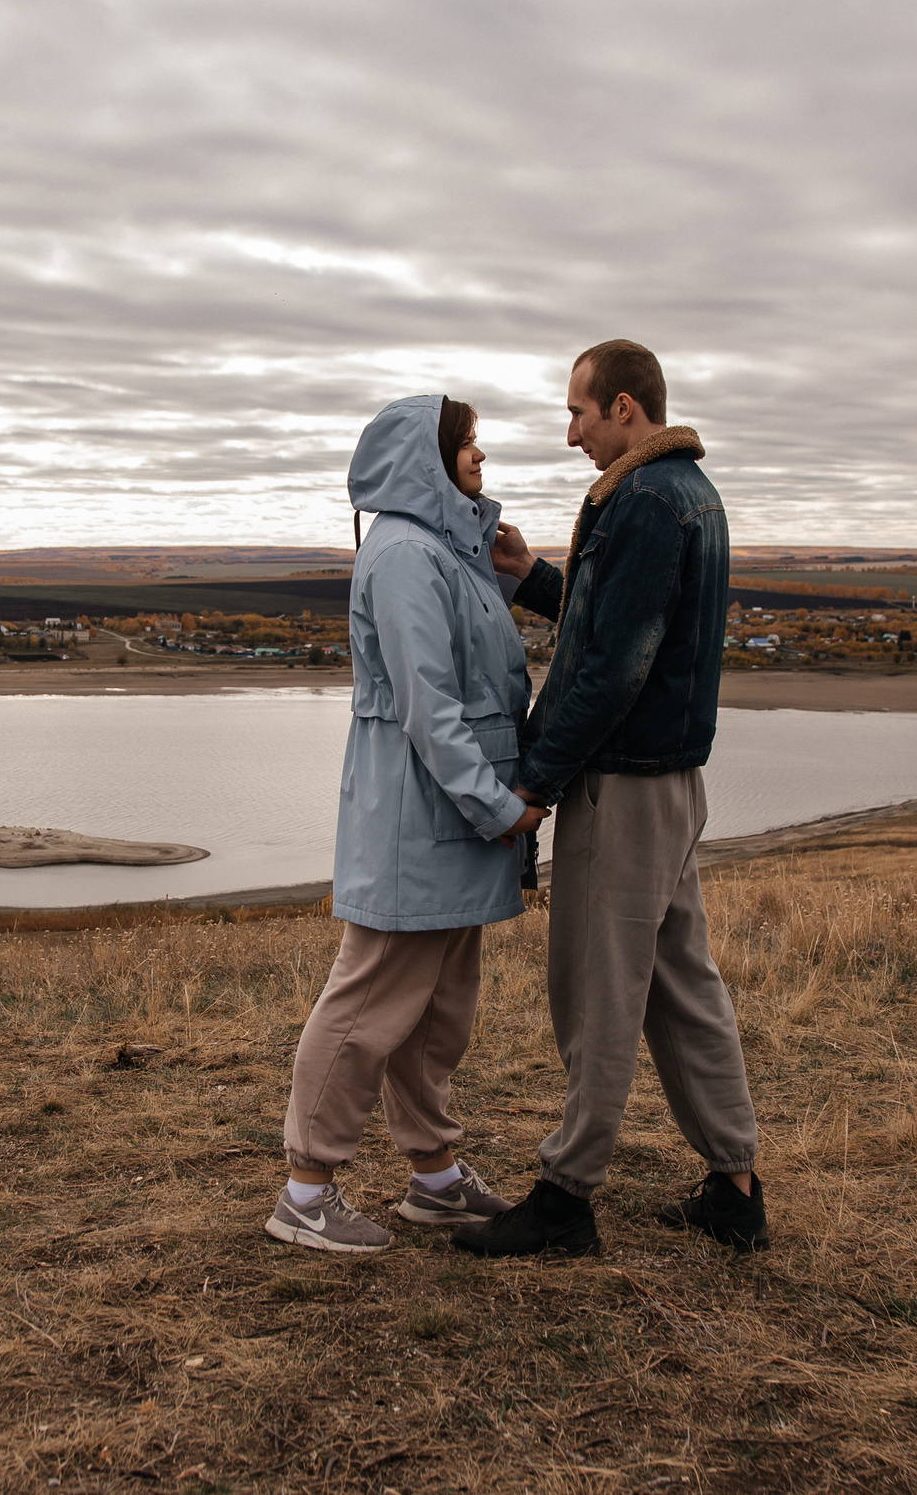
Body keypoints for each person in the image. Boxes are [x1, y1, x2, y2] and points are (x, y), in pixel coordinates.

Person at [455, 338, 768, 1258]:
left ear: (625, 407)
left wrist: (535, 781)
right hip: (670, 783)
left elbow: (612, 668)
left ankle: (566, 1197)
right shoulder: (688, 493)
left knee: (596, 987)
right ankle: (735, 1185)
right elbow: (625, 624)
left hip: (624, 788)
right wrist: (534, 576)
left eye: (578, 412)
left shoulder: (644, 501)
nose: (570, 434)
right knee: (681, 985)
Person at [267, 395, 550, 1254]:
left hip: (452, 825)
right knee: (367, 1007)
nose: (480, 456)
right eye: (466, 443)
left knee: (435, 1013)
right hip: (419, 821)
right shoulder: (402, 556)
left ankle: (434, 1175)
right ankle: (305, 1191)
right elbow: (431, 710)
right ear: (426, 458)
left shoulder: (446, 549)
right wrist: (498, 807)